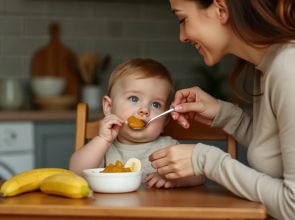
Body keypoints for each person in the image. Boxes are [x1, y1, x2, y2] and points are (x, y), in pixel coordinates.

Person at [149, 0, 295, 219]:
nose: (182, 36)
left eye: (182, 19)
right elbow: (272, 148)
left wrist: (205, 160)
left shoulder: (287, 67)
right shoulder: (267, 65)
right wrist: (222, 113)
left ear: (220, 9)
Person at [69, 58, 205, 188]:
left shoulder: (169, 148)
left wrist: (176, 180)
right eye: (134, 99)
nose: (144, 110)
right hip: (112, 210)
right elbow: (76, 172)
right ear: (109, 107)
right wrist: (103, 139)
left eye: (156, 104)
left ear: (165, 121)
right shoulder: (103, 149)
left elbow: (199, 175)